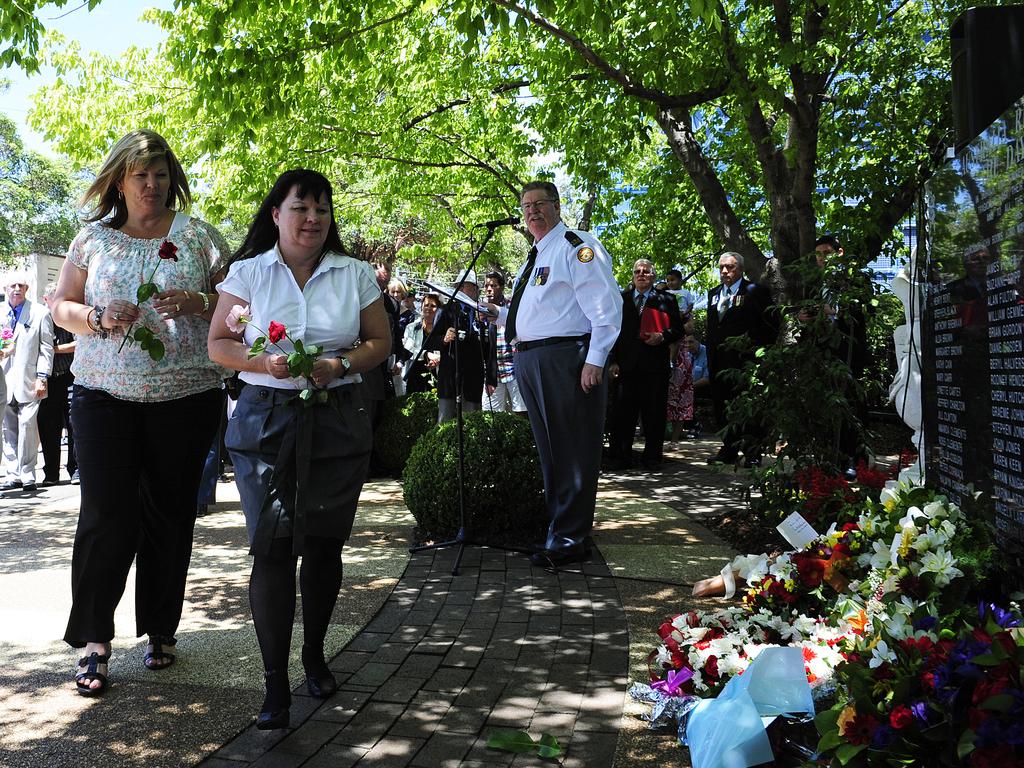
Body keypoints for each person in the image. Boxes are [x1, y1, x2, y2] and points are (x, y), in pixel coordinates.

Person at [208, 168, 390, 730]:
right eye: (301, 208)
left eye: (322, 209)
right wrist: (262, 362)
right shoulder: (249, 275)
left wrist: (337, 364)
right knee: (272, 547)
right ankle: (274, 684)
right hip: (265, 421)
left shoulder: (354, 273)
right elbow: (219, 343)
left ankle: (315, 656)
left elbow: (380, 342)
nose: (313, 219)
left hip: (335, 418)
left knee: (325, 544)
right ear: (276, 214)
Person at [51, 129, 227, 697]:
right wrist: (98, 317)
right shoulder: (92, 240)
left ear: (171, 179)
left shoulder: (200, 238)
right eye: (139, 174)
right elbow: (60, 308)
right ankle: (94, 641)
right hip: (103, 396)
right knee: (107, 515)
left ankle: (159, 630)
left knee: (170, 515)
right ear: (119, 182)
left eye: (159, 174)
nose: (151, 185)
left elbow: (239, 308)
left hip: (185, 397)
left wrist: (200, 302)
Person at [488, 181, 621, 568]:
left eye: (539, 204)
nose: (531, 212)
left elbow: (605, 306)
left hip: (565, 359)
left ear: (557, 206)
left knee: (572, 451)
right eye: (526, 206)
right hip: (533, 358)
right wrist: (498, 315)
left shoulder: (575, 246)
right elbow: (545, 312)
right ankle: (559, 529)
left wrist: (595, 359)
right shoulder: (536, 254)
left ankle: (570, 539)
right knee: (552, 454)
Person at [608, 259, 683, 469]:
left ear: (653, 276)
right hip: (625, 366)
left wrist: (662, 336)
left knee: (654, 414)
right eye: (637, 271)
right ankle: (620, 457)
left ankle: (652, 458)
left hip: (654, 366)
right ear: (632, 276)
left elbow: (678, 330)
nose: (641, 274)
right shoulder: (619, 299)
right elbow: (611, 332)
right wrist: (612, 361)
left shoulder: (666, 299)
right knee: (623, 414)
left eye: (646, 272)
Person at [705, 251, 778, 467]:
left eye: (731, 267)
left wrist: (757, 353)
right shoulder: (713, 294)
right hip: (718, 362)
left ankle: (752, 451)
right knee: (722, 406)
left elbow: (770, 324)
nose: (725, 271)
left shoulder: (755, 291)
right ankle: (729, 448)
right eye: (722, 267)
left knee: (747, 408)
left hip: (744, 363)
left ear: (741, 269)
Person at [1, 274, 54, 493]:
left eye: (21, 285)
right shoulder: (1, 312)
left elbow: (46, 348)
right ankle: (12, 474)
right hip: (4, 379)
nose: (16, 289)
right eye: (12, 285)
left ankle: (28, 474)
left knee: (27, 426)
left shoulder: (40, 313)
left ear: (27, 288)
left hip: (30, 380)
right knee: (8, 429)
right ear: (5, 288)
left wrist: (42, 377)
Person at [38, 282, 77, 486]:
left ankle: (75, 469)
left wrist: (53, 349)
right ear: (47, 300)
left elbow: (78, 344)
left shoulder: (69, 317)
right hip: (48, 380)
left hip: (70, 377)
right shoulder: (40, 319)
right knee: (48, 427)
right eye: (56, 297)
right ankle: (51, 473)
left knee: (73, 425)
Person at [434, 270, 485, 423]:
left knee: (472, 423)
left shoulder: (481, 312)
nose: (462, 290)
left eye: (467, 286)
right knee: (445, 421)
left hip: (473, 378)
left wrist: (491, 378)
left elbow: (489, 346)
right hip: (450, 376)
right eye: (460, 286)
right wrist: (444, 338)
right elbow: (430, 340)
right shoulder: (445, 310)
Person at [480, 271, 526, 414]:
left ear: (501, 287)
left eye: (493, 285)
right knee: (491, 414)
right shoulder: (480, 310)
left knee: (521, 413)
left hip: (515, 370)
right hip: (494, 373)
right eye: (486, 285)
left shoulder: (512, 306)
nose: (489, 289)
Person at [402, 292, 442, 394]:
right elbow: (408, 349)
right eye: (426, 305)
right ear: (421, 307)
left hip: (437, 375)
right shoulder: (412, 328)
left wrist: (439, 359)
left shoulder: (442, 329)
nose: (428, 308)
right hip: (415, 375)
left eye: (433, 306)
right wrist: (426, 355)